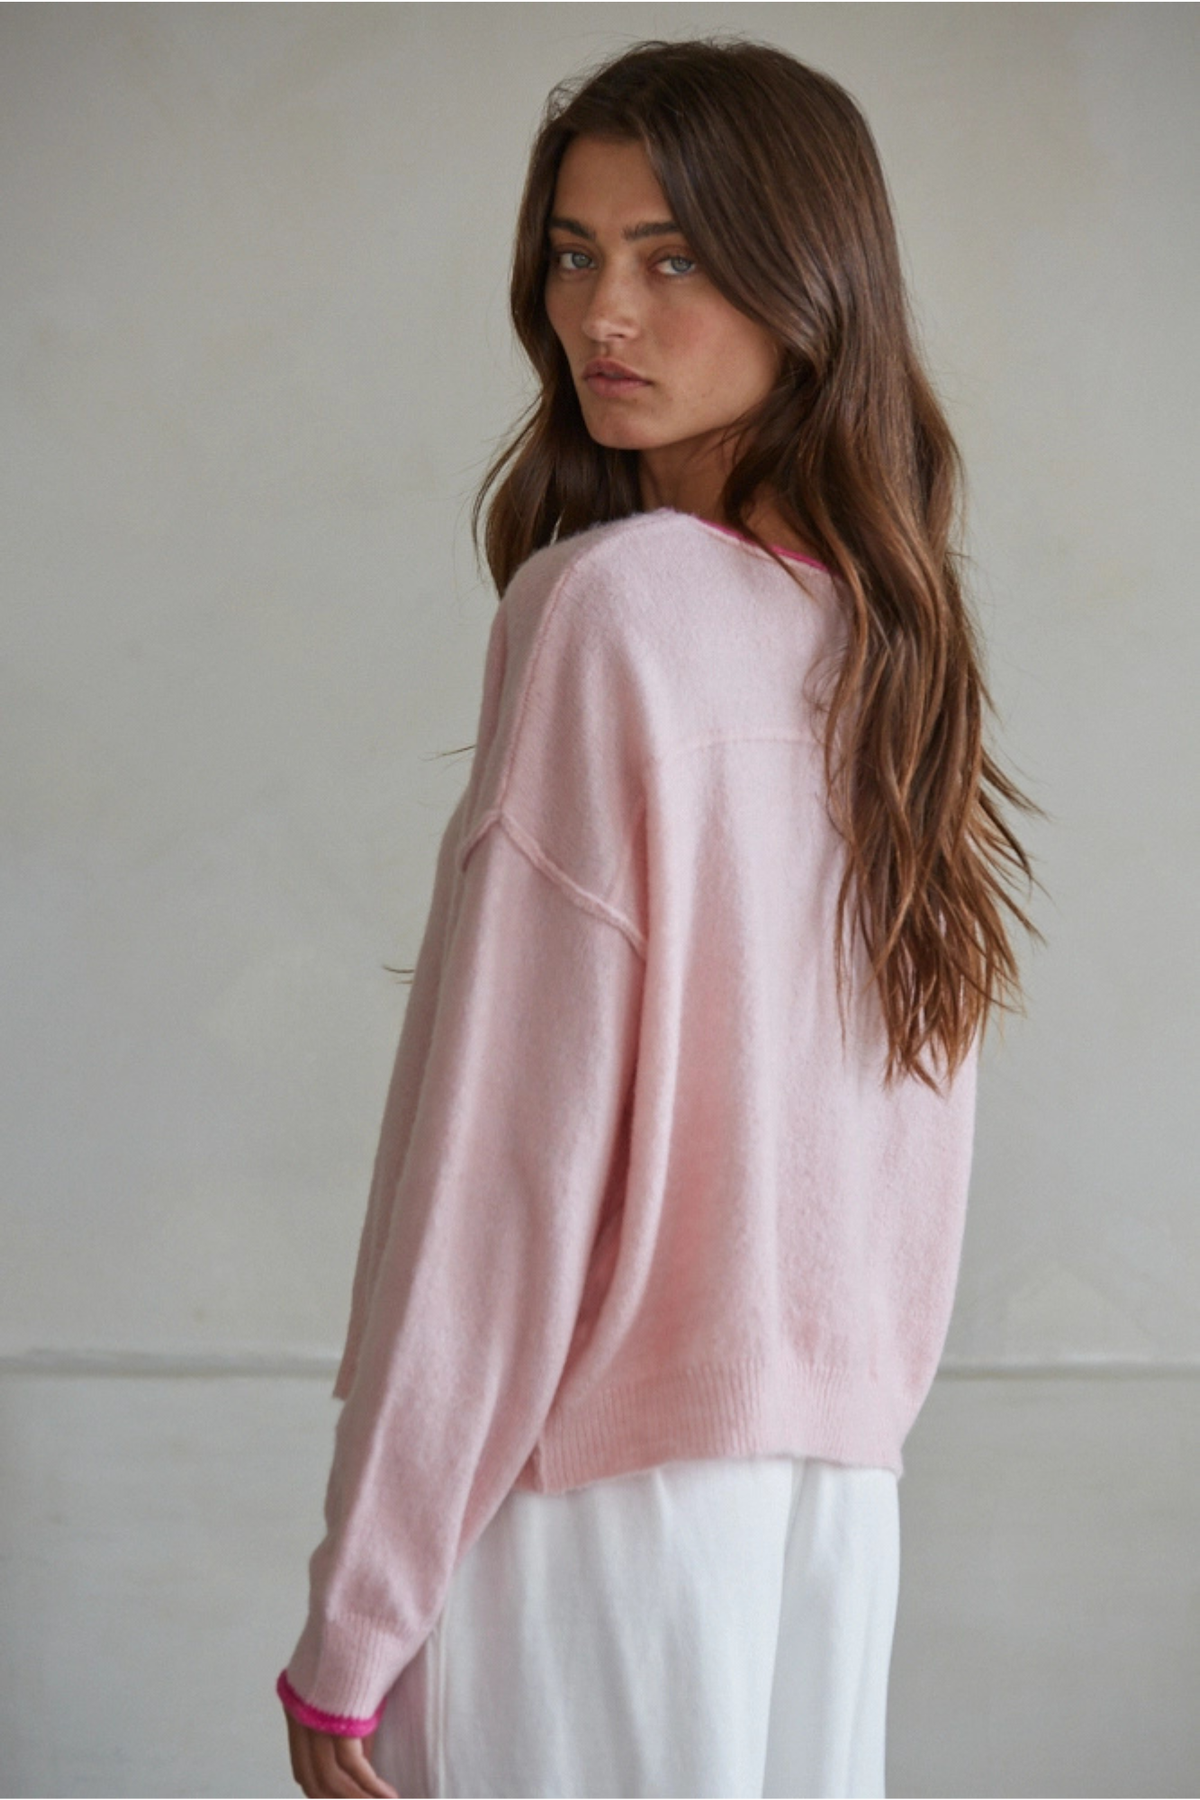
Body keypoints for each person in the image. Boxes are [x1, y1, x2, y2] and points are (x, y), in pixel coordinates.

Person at [275, 34, 1043, 1800]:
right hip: (828, 1524)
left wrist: (356, 1623)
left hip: (586, 1526)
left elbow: (507, 1173)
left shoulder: (609, 610)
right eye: (573, 253)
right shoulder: (894, 651)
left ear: (807, 283)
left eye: (673, 256)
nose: (600, 314)